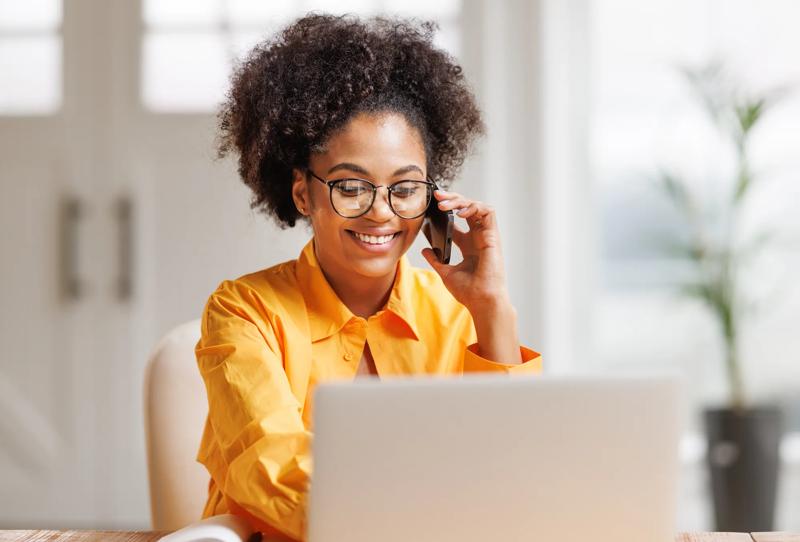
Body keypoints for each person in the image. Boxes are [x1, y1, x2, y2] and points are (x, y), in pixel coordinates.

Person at [194, 13, 542, 541]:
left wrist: (493, 307)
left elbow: (515, 466)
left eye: (405, 188)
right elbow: (272, 466)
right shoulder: (243, 312)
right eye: (351, 186)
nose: (381, 213)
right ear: (303, 194)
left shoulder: (455, 312)